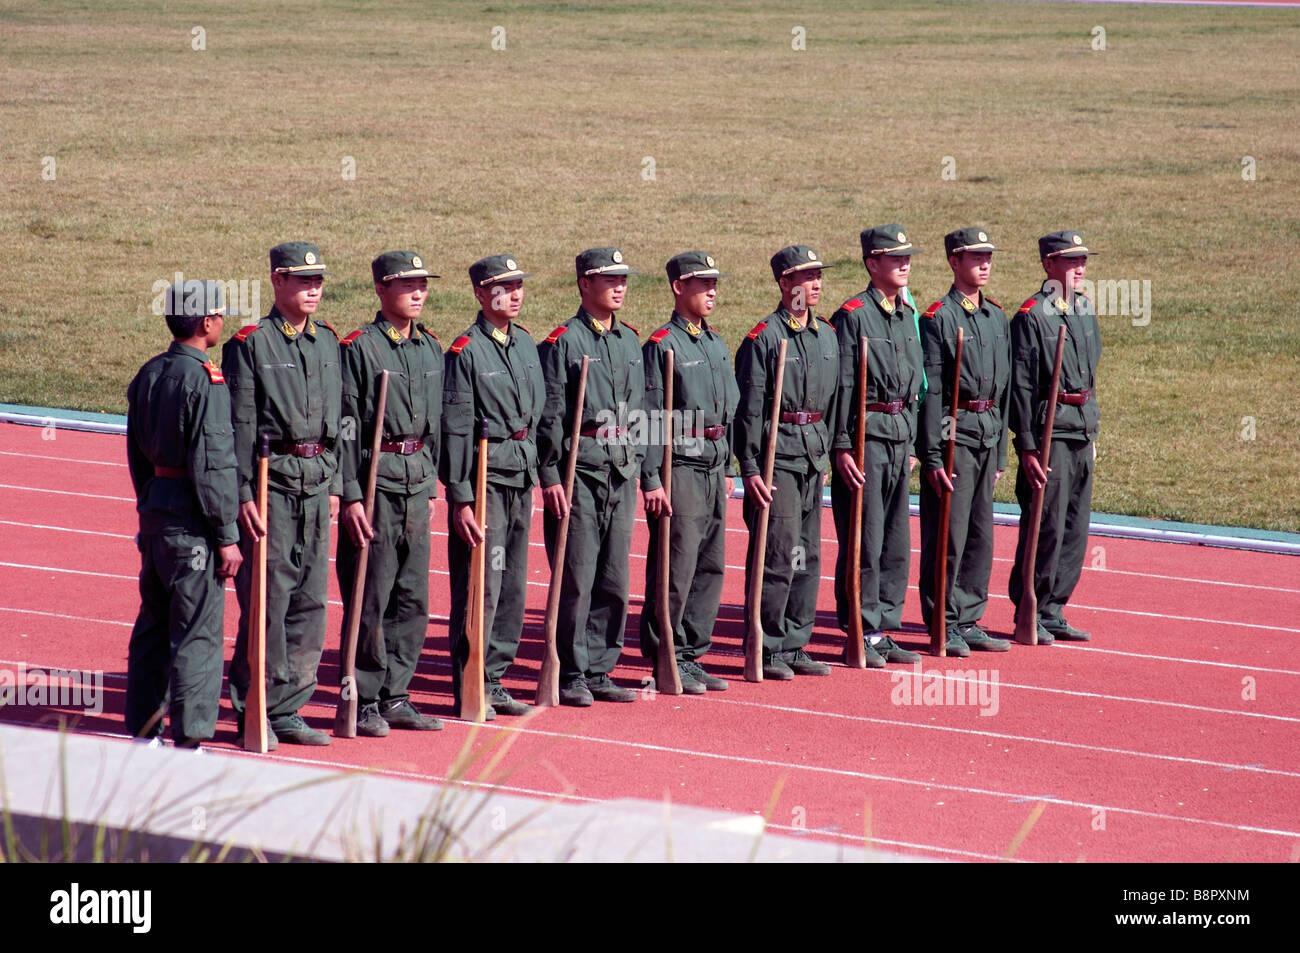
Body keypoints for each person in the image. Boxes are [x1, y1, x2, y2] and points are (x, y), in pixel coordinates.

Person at [223, 241, 341, 747]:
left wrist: (336, 482)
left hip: (317, 482)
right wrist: (243, 492)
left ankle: (291, 705)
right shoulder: (251, 343)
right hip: (270, 485)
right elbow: (240, 424)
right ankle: (254, 702)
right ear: (277, 281)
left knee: (311, 603)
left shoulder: (328, 341)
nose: (312, 288)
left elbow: (342, 420)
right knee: (268, 600)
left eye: (317, 280)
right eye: (301, 280)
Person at [125, 280, 242, 749]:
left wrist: (147, 504)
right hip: (193, 524)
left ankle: (145, 731)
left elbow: (135, 453)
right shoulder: (206, 380)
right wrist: (227, 535)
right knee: (196, 634)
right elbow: (212, 467)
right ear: (207, 322)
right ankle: (190, 739)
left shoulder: (150, 373)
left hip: (157, 515)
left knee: (153, 627)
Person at [337, 250, 445, 736]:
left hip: (417, 478)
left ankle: (397, 693)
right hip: (377, 478)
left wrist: (434, 480)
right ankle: (362, 695)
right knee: (371, 595)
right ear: (381, 289)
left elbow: (438, 423)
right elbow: (346, 427)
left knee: (412, 596)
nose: (418, 293)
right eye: (407, 285)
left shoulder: (430, 348)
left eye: (422, 284)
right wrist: (352, 494)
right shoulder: (360, 348)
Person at [537, 247, 649, 706]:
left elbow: (642, 410)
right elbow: (550, 418)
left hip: (621, 466)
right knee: (577, 575)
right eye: (609, 279)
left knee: (614, 577)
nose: (620, 286)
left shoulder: (629, 340)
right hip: (578, 468)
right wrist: (549, 475)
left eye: (623, 278)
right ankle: (571, 671)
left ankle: (602, 667)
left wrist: (640, 463)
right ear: (585, 284)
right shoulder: (564, 342)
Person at [442, 254, 545, 718]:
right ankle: (471, 677)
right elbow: (457, 428)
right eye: (504, 287)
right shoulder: (466, 352)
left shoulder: (525, 344)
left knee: (513, 586)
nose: (516, 294)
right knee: (481, 584)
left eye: (519, 285)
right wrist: (461, 498)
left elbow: (539, 416)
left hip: (520, 473)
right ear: (482, 294)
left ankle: (496, 677)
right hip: (484, 480)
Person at [734, 244, 840, 680]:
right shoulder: (764, 339)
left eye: (818, 275)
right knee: (777, 555)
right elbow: (749, 413)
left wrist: (830, 449)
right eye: (805, 276)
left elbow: (834, 403)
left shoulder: (826, 335)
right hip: (778, 461)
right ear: (784, 283)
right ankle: (767, 644)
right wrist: (752, 468)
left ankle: (796, 641)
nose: (814, 283)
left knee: (807, 556)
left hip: (813, 457)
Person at [640, 251, 740, 694]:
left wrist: (730, 465)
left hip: (715, 462)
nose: (712, 290)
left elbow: (728, 412)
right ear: (679, 288)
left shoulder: (715, 343)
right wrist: (652, 479)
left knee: (710, 565)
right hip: (679, 463)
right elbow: (646, 417)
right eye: (703, 283)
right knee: (675, 566)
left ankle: (692, 654)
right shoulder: (662, 345)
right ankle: (666, 653)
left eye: (714, 283)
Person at [830, 225, 926, 665]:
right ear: (872, 264)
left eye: (906, 256)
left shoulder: (906, 314)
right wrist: (843, 446)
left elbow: (914, 386)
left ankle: (884, 626)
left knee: (894, 540)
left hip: (897, 436)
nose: (904, 263)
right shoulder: (853, 316)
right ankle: (860, 628)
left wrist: (911, 444)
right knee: (864, 539)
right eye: (894, 257)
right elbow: (843, 387)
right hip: (866, 439)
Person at [916, 228, 1012, 656]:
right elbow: (932, 394)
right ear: (954, 262)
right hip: (956, 437)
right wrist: (934, 454)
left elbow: (1005, 390)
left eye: (988, 256)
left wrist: (1001, 454)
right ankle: (944, 619)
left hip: (987, 434)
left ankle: (969, 616)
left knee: (980, 537)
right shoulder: (937, 318)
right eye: (975, 257)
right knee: (948, 535)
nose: (984, 263)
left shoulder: (996, 317)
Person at [1008, 230, 1101, 644]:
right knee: (1045, 524)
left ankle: (1055, 607)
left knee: (1075, 524)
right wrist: (1027, 445)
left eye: (1082, 260)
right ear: (1048, 265)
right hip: (1050, 432)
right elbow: (1022, 387)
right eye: (1070, 260)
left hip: (1081, 427)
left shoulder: (1083, 308)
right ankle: (1031, 605)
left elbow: (1090, 373)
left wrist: (1092, 428)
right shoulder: (1032, 316)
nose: (1079, 267)